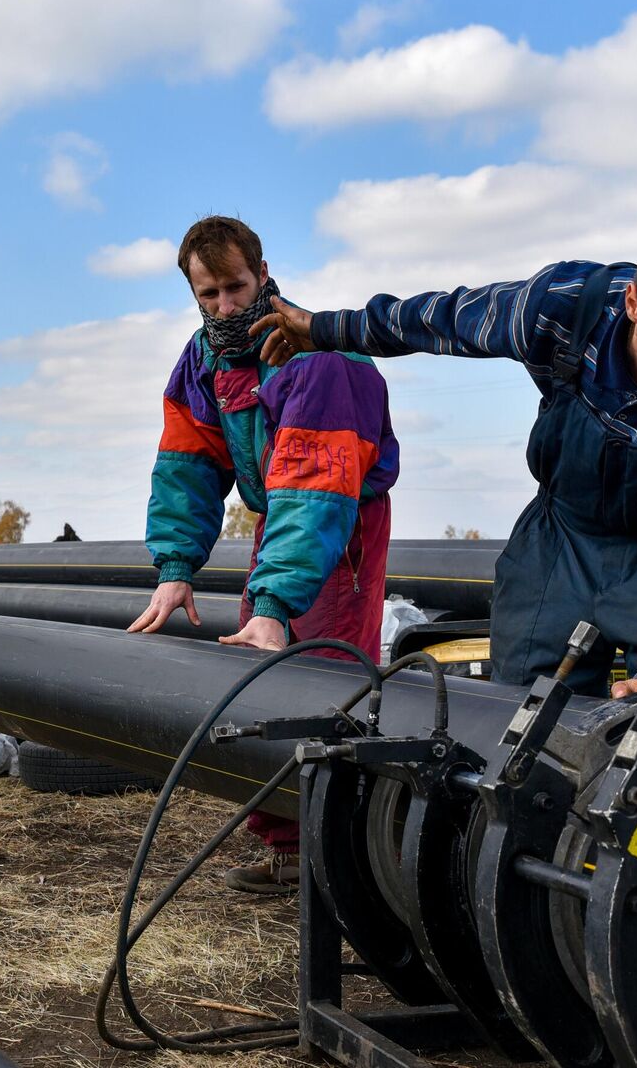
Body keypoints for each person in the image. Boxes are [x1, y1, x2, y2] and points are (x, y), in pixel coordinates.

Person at [248, 223, 637, 700]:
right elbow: (441, 321)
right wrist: (324, 331)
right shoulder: (564, 307)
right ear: (634, 305)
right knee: (525, 715)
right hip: (562, 537)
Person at [131, 216, 399, 895]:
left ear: (263, 273)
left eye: (236, 287)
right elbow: (185, 466)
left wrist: (278, 602)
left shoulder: (314, 356)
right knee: (259, 671)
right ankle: (286, 850)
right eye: (208, 293)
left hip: (340, 521)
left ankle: (342, 860)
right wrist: (174, 569)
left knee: (325, 675)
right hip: (279, 515)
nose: (225, 305)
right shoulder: (204, 360)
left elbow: (316, 488)